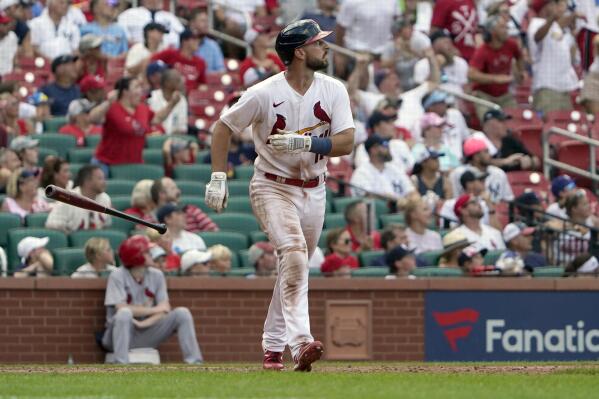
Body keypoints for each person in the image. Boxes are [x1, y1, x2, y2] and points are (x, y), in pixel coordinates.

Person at [205, 20, 355, 372]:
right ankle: (300, 342)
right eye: (318, 43)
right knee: (294, 254)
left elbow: (347, 142)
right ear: (300, 52)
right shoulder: (264, 92)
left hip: (314, 190)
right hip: (272, 185)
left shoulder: (333, 89)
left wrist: (307, 142)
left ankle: (273, 348)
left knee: (294, 266)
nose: (326, 48)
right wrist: (217, 176)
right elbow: (223, 127)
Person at [102, 235, 203, 364]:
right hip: (117, 336)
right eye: (147, 252)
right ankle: (121, 364)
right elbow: (121, 308)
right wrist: (155, 309)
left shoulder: (157, 275)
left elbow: (165, 309)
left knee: (182, 313)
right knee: (124, 314)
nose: (151, 254)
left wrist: (142, 323)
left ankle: (194, 362)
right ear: (136, 256)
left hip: (147, 330)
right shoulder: (117, 275)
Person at [93, 77, 179, 175]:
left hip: (133, 164)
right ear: (125, 91)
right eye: (136, 87)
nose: (140, 90)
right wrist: (107, 102)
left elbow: (157, 119)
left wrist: (172, 103)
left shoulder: (143, 108)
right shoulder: (112, 107)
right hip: (107, 164)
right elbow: (93, 118)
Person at [527, 0, 580, 114]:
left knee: (565, 127)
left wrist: (572, 32)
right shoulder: (536, 23)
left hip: (563, 88)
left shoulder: (556, 27)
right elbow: (537, 37)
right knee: (550, 127)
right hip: (547, 88)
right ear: (545, 7)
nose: (556, 7)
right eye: (553, 4)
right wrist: (552, 19)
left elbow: (571, 57)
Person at [468, 15, 524, 121]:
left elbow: (519, 57)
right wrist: (495, 79)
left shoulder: (511, 45)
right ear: (492, 31)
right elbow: (471, 74)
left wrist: (521, 72)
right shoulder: (482, 51)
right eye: (502, 27)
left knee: (515, 121)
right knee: (489, 121)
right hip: (484, 95)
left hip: (504, 94)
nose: (506, 30)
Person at [350, 134, 417, 205]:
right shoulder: (362, 173)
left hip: (401, 211)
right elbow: (368, 196)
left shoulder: (394, 169)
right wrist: (397, 200)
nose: (389, 148)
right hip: (378, 213)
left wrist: (413, 201)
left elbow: (412, 192)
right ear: (373, 150)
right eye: (385, 145)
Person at [45, 164, 111, 232]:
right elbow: (51, 225)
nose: (104, 182)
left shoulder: (105, 199)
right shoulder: (68, 199)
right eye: (100, 178)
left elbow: (106, 226)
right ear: (87, 181)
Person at [449, 137, 514, 204]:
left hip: (496, 211)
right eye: (486, 152)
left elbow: (508, 200)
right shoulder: (458, 173)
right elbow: (455, 199)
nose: (490, 155)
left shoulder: (499, 173)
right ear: (476, 156)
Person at [472, 109, 539, 172]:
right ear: (487, 125)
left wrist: (530, 161)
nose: (505, 125)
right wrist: (506, 162)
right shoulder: (478, 139)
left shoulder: (510, 141)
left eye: (505, 122)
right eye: (501, 121)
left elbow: (535, 159)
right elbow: (480, 163)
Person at [151, 177, 218, 232]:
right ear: (162, 194)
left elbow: (213, 230)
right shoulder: (150, 219)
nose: (178, 191)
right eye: (173, 188)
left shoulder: (192, 210)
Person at [151, 28, 207, 93]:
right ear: (184, 41)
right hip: (169, 93)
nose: (198, 42)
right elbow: (150, 60)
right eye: (194, 39)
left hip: (190, 98)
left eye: (198, 39)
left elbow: (203, 83)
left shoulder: (200, 62)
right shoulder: (170, 53)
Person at [414, 29, 469, 95]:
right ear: (434, 45)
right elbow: (421, 91)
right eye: (445, 42)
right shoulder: (422, 64)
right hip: (434, 102)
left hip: (458, 100)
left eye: (450, 42)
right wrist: (435, 65)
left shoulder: (460, 62)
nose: (450, 46)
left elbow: (465, 87)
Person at [117, 0, 183, 49]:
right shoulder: (129, 14)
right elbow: (121, 36)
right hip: (138, 52)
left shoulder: (170, 17)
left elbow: (184, 36)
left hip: (168, 56)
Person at [147, 69, 188, 136]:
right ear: (167, 83)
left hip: (174, 139)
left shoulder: (182, 100)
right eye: (178, 80)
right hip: (154, 137)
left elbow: (182, 128)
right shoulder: (152, 97)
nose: (182, 83)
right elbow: (150, 122)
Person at [188, 8, 225, 73]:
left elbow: (221, 70)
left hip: (209, 81)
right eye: (203, 21)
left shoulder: (213, 45)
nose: (206, 24)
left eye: (207, 21)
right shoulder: (184, 43)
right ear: (192, 23)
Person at [0, 10, 18, 76]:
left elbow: (15, 57)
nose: (8, 26)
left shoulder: (12, 36)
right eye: (4, 24)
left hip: (9, 76)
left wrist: (16, 68)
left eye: (8, 23)